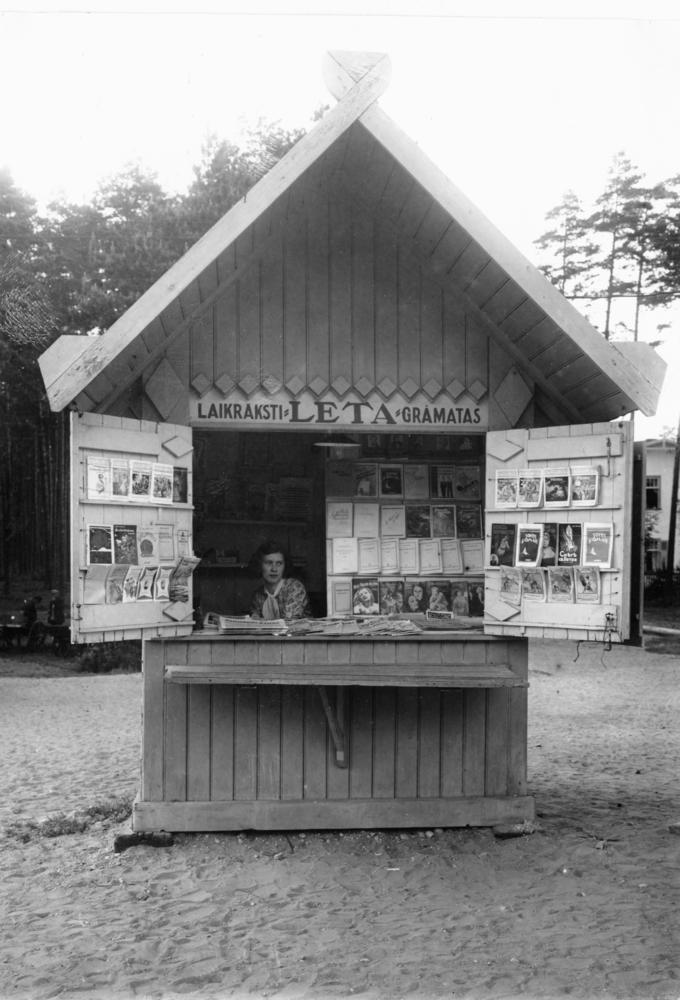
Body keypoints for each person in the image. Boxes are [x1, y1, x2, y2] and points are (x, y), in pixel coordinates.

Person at [250, 540, 311, 621]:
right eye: (269, 563)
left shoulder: (294, 588)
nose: (274, 569)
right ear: (259, 565)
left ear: (284, 566)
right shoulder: (257, 595)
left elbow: (289, 623)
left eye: (279, 563)